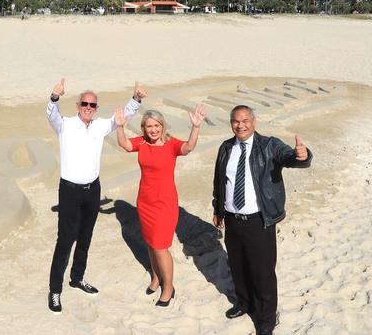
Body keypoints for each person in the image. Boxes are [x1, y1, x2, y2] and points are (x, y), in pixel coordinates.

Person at [46, 78, 147, 314]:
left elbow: (121, 119)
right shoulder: (65, 124)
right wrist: (53, 97)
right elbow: (51, 115)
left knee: (85, 237)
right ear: (78, 105)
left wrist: (136, 100)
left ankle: (77, 277)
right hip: (69, 191)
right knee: (65, 240)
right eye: (85, 104)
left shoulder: (101, 125)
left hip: (93, 190)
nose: (88, 108)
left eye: (92, 105)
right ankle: (55, 290)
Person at [212, 105, 312, 335]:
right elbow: (219, 180)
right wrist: (218, 208)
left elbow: (289, 158)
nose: (241, 125)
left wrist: (301, 156)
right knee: (238, 267)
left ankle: (267, 320)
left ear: (254, 122)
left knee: (263, 272)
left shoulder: (269, 145)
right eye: (236, 121)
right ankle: (245, 304)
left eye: (245, 120)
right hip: (233, 220)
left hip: (260, 220)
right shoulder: (226, 147)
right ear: (231, 124)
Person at [115, 104, 206, 306]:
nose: (153, 130)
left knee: (160, 246)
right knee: (150, 243)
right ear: (144, 128)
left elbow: (188, 147)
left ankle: (169, 287)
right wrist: (119, 126)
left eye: (156, 125)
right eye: (149, 126)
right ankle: (156, 278)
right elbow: (124, 144)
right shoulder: (142, 143)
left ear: (162, 126)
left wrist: (195, 127)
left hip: (164, 203)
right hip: (145, 202)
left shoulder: (171, 144)